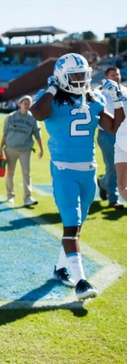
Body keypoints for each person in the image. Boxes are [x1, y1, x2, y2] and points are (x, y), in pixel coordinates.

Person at [30, 53, 124, 301]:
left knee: (77, 227)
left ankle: (60, 269)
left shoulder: (92, 100)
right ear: (61, 78)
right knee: (71, 226)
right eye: (75, 76)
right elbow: (37, 113)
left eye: (84, 75)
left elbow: (115, 129)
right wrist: (51, 87)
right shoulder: (50, 100)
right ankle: (81, 280)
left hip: (89, 171)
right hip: (64, 170)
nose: (81, 80)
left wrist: (118, 100)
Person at [0, 95, 44, 206]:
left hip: (25, 149)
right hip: (11, 149)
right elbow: (5, 134)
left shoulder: (32, 119)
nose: (27, 106)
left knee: (26, 173)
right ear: (20, 104)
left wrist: (41, 149)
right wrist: (0, 149)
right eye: (25, 103)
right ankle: (10, 195)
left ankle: (28, 198)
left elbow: (37, 134)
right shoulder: (11, 117)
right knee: (10, 173)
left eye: (29, 104)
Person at [96, 67, 126, 209]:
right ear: (106, 78)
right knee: (113, 167)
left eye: (118, 74)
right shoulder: (100, 94)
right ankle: (113, 199)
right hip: (109, 134)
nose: (116, 77)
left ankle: (102, 182)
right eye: (113, 75)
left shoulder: (126, 91)